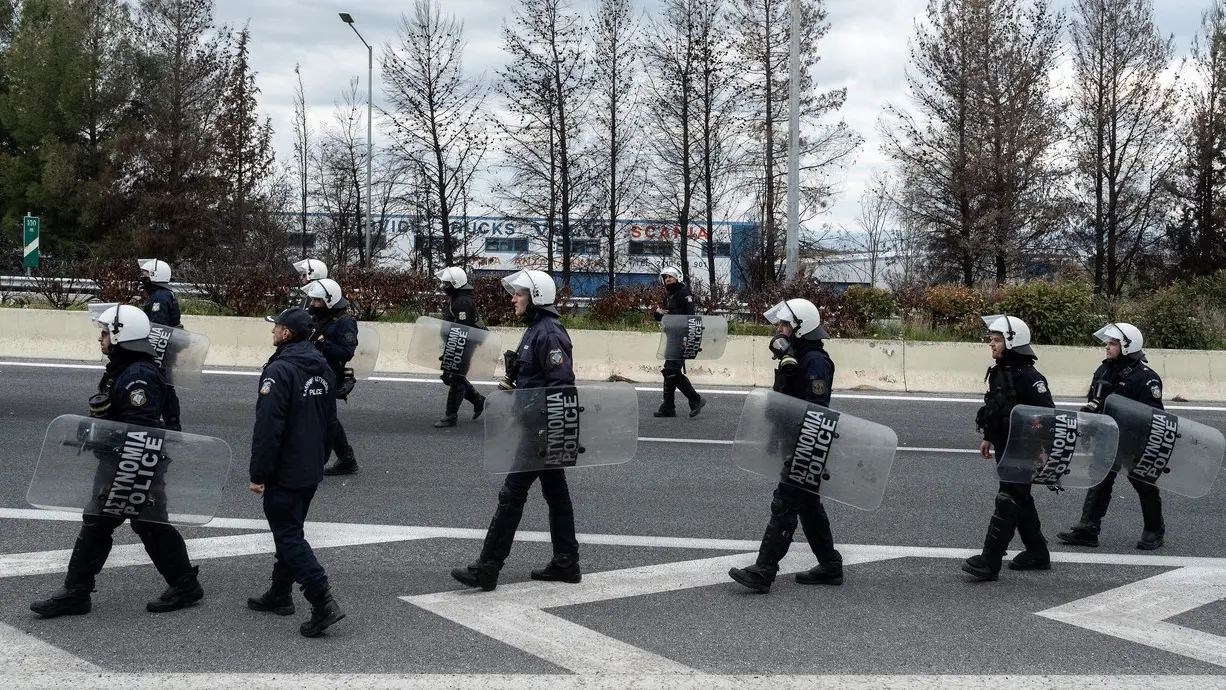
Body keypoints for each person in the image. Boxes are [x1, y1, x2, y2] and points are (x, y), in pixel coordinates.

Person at [31, 305, 203, 617]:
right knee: (139, 524)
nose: (101, 337)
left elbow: (139, 428)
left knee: (119, 523)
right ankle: (183, 584)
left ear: (122, 336)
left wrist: (110, 445)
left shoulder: (138, 375)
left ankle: (77, 593)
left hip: (134, 463)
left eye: (107, 332)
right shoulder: (124, 367)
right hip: (125, 461)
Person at [451, 269, 581, 592]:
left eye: (519, 294)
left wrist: (528, 419)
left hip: (541, 430)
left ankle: (488, 567)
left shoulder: (549, 333)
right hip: (540, 427)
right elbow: (531, 380)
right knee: (556, 494)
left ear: (535, 297)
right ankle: (567, 561)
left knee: (511, 496)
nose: (513, 299)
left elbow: (560, 384)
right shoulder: (536, 330)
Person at [728, 298, 843, 592]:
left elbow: (817, 408)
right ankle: (830, 566)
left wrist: (801, 450)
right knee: (807, 505)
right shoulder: (795, 356)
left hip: (808, 442)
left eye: (783, 325)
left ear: (800, 328)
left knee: (785, 504)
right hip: (796, 441)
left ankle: (764, 570)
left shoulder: (814, 360)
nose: (778, 330)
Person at [248, 307, 345, 637]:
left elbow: (268, 428)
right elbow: (331, 422)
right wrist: (319, 459)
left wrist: (259, 472)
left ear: (286, 334)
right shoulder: (323, 367)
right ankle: (279, 594)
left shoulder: (280, 370)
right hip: (309, 467)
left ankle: (322, 602)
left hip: (286, 469)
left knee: (288, 535)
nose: (273, 331)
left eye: (276, 327)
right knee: (289, 530)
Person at [962, 314, 1055, 582]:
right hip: (1005, 444)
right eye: (991, 339)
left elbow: (1048, 415)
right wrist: (989, 436)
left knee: (1008, 498)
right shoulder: (1001, 372)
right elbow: (996, 408)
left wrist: (1043, 450)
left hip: (1024, 447)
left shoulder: (1029, 376)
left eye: (997, 340)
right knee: (1020, 499)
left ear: (1013, 342)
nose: (992, 344)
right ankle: (1038, 553)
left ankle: (990, 561)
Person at [1058, 322, 1166, 550]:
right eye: (1107, 343)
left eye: (1113, 343)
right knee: (1099, 481)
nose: (1107, 347)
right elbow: (1093, 401)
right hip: (1106, 437)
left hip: (1134, 442)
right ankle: (1088, 529)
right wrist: (1088, 426)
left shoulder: (1146, 378)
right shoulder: (1104, 370)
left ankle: (1154, 531)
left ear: (1128, 346)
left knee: (1144, 485)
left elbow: (1155, 416)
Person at [302, 278, 360, 476]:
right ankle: (346, 458)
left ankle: (345, 458)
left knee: (326, 417)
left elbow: (347, 352)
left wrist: (321, 344)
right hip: (312, 369)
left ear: (330, 300)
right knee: (324, 416)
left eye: (318, 301)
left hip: (329, 373)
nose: (313, 304)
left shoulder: (345, 322)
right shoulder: (317, 315)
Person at [433, 266, 487, 428]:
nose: (443, 287)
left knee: (455, 378)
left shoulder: (463, 301)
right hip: (457, 343)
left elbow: (462, 329)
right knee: (449, 377)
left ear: (455, 284)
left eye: (446, 283)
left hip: (463, 344)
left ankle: (451, 416)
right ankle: (478, 400)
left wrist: (453, 349)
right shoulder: (459, 297)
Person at [652, 266, 706, 418]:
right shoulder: (669, 295)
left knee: (672, 371)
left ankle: (695, 399)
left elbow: (690, 315)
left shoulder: (684, 292)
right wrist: (658, 313)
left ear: (678, 277)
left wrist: (691, 340)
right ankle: (668, 406)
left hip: (683, 337)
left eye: (670, 276)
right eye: (665, 277)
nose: (667, 279)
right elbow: (663, 317)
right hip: (672, 337)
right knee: (669, 371)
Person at [139, 258, 183, 431]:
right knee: (164, 387)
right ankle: (172, 423)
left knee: (160, 387)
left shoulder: (160, 297)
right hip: (165, 351)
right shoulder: (163, 294)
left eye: (145, 274)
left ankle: (169, 424)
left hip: (160, 352)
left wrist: (150, 355)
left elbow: (158, 329)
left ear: (155, 275)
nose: (142, 277)